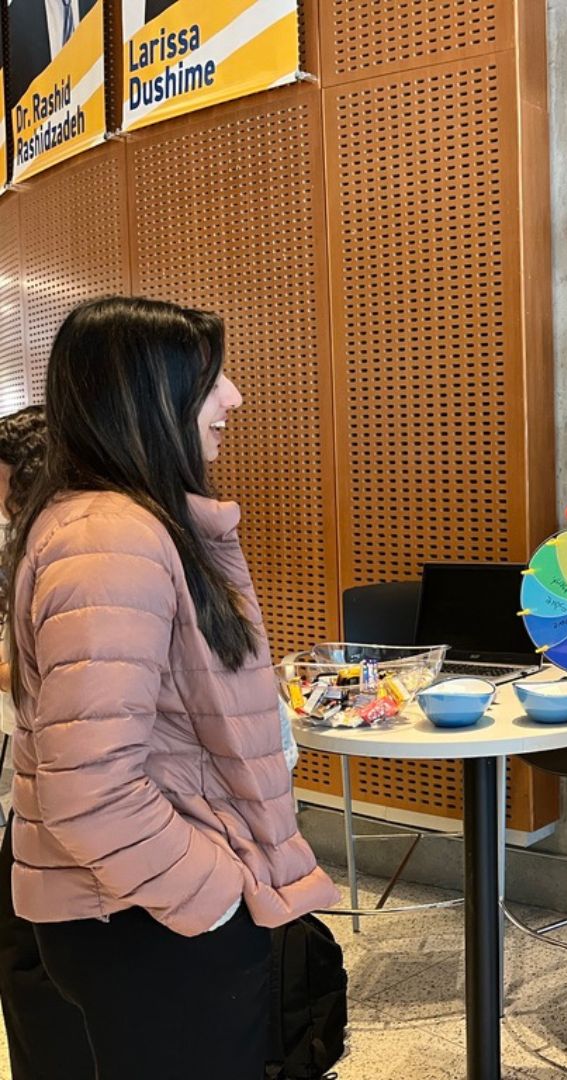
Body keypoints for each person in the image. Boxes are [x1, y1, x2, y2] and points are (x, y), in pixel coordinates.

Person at [1, 296, 338, 1080]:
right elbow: (90, 788)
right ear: (149, 396)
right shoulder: (112, 539)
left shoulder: (118, 523)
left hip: (134, 910)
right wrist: (212, 894)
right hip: (145, 918)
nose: (234, 398)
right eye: (213, 378)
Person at [0, 405, 98, 1080]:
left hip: (65, 805)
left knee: (43, 971)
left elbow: (50, 670)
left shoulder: (69, 550)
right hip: (32, 786)